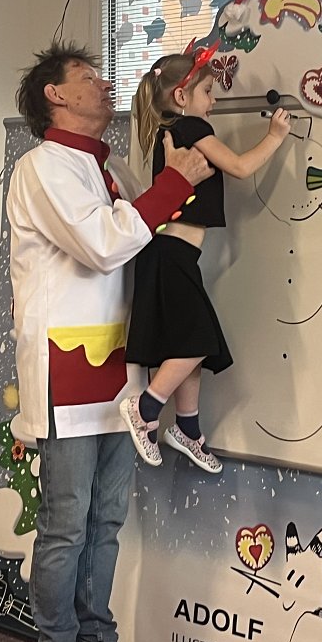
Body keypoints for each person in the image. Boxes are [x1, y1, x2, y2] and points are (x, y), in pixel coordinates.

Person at [7, 41, 211, 642]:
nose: (104, 84)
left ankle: (98, 640)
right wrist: (173, 184)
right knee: (66, 525)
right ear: (56, 95)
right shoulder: (40, 167)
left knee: (108, 520)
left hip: (124, 370)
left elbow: (149, 234)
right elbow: (102, 244)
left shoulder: (113, 166)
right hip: (66, 371)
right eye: (88, 76)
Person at [118, 47, 291, 473]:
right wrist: (274, 136)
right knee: (198, 342)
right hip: (171, 254)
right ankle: (145, 408)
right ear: (181, 96)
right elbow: (239, 166)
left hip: (171, 254)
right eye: (208, 91)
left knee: (187, 345)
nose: (213, 101)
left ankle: (188, 429)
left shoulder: (173, 130)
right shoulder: (191, 127)